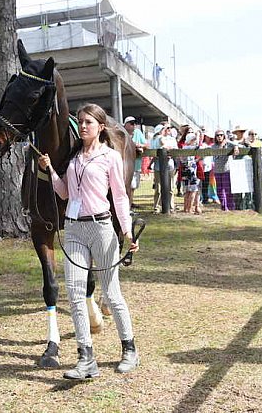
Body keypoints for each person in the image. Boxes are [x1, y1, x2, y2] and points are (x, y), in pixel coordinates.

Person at [37, 103, 140, 380]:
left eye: (89, 123)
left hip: (102, 228)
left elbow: (119, 196)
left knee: (112, 293)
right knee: (74, 293)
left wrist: (127, 232)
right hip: (73, 231)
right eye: (81, 122)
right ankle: (86, 358)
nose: (83, 126)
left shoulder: (110, 157)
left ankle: (129, 349)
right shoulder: (73, 159)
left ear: (100, 127)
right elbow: (64, 193)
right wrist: (50, 171)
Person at [149, 123, 177, 213]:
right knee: (159, 188)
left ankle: (170, 206)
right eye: (166, 128)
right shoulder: (156, 139)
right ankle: (157, 207)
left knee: (171, 188)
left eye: (169, 128)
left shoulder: (172, 139)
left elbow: (176, 150)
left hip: (169, 166)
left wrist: (170, 153)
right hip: (158, 166)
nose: (168, 130)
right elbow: (158, 149)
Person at [211, 128, 240, 211]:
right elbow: (214, 152)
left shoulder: (228, 144)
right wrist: (221, 146)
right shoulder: (213, 146)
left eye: (221, 135)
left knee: (227, 189)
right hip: (217, 170)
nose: (219, 137)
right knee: (219, 190)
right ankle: (224, 206)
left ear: (224, 136)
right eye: (217, 135)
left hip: (226, 170)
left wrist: (236, 147)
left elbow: (236, 144)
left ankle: (231, 207)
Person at [123, 116, 146, 206]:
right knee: (126, 186)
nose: (134, 125)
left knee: (133, 186)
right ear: (126, 125)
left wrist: (138, 146)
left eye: (135, 123)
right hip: (124, 165)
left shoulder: (138, 133)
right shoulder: (121, 133)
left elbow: (146, 144)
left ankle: (129, 203)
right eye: (132, 123)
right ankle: (127, 205)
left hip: (136, 165)